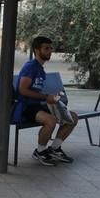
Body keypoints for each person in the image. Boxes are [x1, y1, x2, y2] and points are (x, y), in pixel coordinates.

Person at [17, 35, 78, 166]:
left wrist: (52, 99)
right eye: (46, 48)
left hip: (39, 105)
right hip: (26, 107)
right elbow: (22, 90)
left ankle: (55, 148)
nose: (50, 51)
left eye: (51, 48)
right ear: (37, 50)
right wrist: (46, 97)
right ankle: (40, 151)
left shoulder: (40, 68)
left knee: (72, 117)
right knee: (51, 121)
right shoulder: (30, 67)